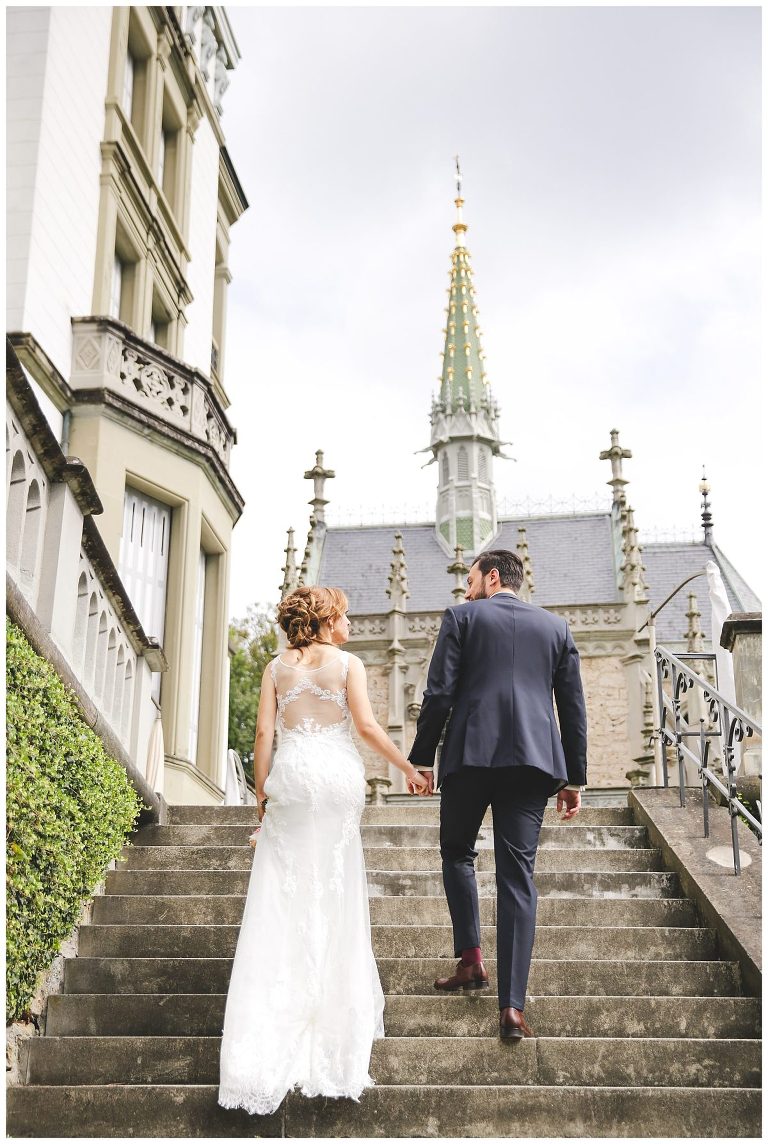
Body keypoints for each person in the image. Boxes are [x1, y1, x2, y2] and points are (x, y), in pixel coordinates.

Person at [218, 585, 429, 1115]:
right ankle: (332, 1011)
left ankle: (279, 1008)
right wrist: (407, 768)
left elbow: (263, 733)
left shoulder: (274, 669)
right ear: (326, 619)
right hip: (336, 778)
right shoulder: (348, 664)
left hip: (292, 776)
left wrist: (261, 797)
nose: (351, 624)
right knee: (335, 886)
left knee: (283, 892)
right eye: (345, 615)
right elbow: (366, 726)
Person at [407, 549, 588, 1041]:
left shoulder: (460, 618)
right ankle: (512, 1009)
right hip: (533, 764)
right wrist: (574, 779)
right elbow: (573, 707)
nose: (466, 592)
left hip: (469, 756)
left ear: (491, 577)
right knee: (517, 878)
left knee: (456, 852)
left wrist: (421, 759)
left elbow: (439, 693)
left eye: (470, 581)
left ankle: (471, 960)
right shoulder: (556, 628)